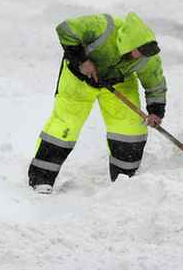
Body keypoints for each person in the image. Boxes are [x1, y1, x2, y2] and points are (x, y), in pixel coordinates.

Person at [28, 12, 167, 194]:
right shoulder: (103, 27)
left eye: (141, 55)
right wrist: (82, 60)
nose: (137, 57)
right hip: (79, 77)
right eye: (136, 52)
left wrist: (156, 111)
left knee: (130, 129)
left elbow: (155, 83)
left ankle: (126, 181)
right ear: (127, 43)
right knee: (64, 126)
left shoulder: (148, 56)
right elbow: (65, 29)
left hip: (118, 81)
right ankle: (41, 179)